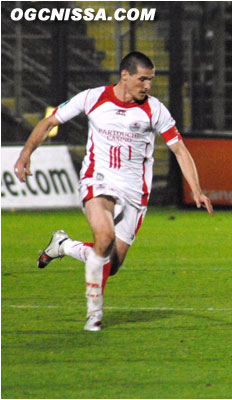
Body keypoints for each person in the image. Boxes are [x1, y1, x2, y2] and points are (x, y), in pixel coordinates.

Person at [13, 51, 214, 331]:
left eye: (151, 80)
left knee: (112, 264)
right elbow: (50, 122)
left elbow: (179, 149)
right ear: (125, 75)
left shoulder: (155, 110)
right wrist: (26, 154)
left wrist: (197, 190)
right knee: (104, 238)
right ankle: (94, 317)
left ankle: (63, 245)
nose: (147, 86)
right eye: (143, 79)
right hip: (98, 180)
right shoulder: (92, 97)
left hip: (135, 194)